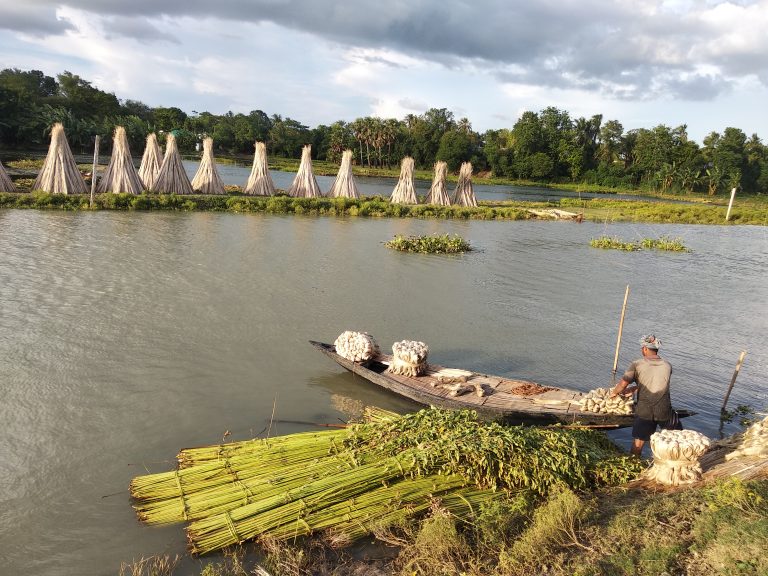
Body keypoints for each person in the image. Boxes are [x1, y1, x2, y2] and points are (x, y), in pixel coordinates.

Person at [610, 334, 676, 456]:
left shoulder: (637, 364)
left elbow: (623, 384)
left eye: (642, 348)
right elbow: (655, 382)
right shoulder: (668, 365)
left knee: (638, 443)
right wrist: (635, 388)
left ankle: (634, 463)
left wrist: (614, 393)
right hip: (664, 410)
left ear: (645, 348)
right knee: (675, 439)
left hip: (645, 411)